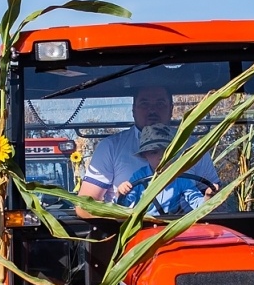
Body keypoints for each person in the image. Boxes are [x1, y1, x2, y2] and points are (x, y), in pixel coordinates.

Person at [76, 84, 218, 210]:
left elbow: (215, 201)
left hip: (186, 233)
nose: (152, 110)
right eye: (144, 104)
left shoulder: (194, 148)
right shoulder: (111, 147)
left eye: (160, 104)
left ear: (171, 109)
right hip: (131, 234)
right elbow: (85, 207)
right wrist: (120, 202)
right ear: (133, 110)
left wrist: (208, 198)